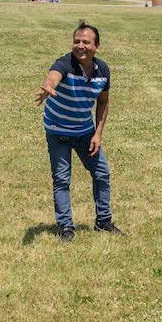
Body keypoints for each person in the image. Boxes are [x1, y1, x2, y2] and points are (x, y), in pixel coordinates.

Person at [35, 21, 124, 242]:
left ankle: (103, 221)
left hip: (85, 132)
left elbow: (103, 102)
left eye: (86, 42)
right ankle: (66, 227)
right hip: (59, 132)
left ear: (97, 46)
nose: (80, 45)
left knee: (102, 174)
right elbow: (54, 75)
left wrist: (98, 133)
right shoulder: (65, 63)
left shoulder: (102, 70)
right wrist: (49, 86)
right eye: (76, 41)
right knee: (62, 179)